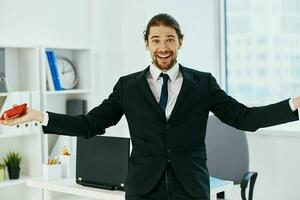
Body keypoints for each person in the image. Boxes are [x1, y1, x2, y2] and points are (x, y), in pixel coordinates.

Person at [1, 13, 299, 200]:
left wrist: (294, 105)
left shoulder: (203, 83)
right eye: (156, 40)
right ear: (147, 43)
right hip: (144, 188)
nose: (163, 47)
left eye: (170, 39)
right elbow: (90, 125)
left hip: (191, 188)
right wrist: (40, 116)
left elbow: (245, 118)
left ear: (180, 42)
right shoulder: (128, 86)